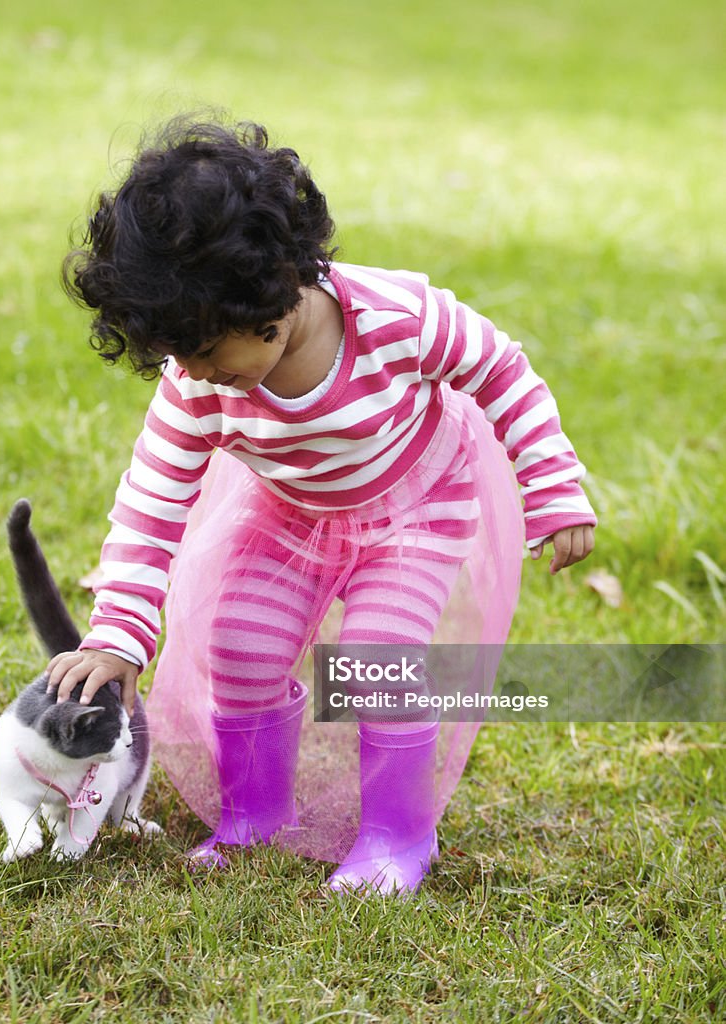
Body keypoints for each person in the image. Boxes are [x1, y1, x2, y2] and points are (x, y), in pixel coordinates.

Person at [45, 117, 596, 895]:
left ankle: (397, 835)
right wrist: (119, 636)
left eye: (205, 351)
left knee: (377, 657)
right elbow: (149, 502)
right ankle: (255, 814)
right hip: (290, 514)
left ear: (268, 295)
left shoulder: (395, 318)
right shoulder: (195, 385)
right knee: (239, 645)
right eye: (176, 356)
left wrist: (552, 487)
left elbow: (501, 371)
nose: (194, 374)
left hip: (413, 506)